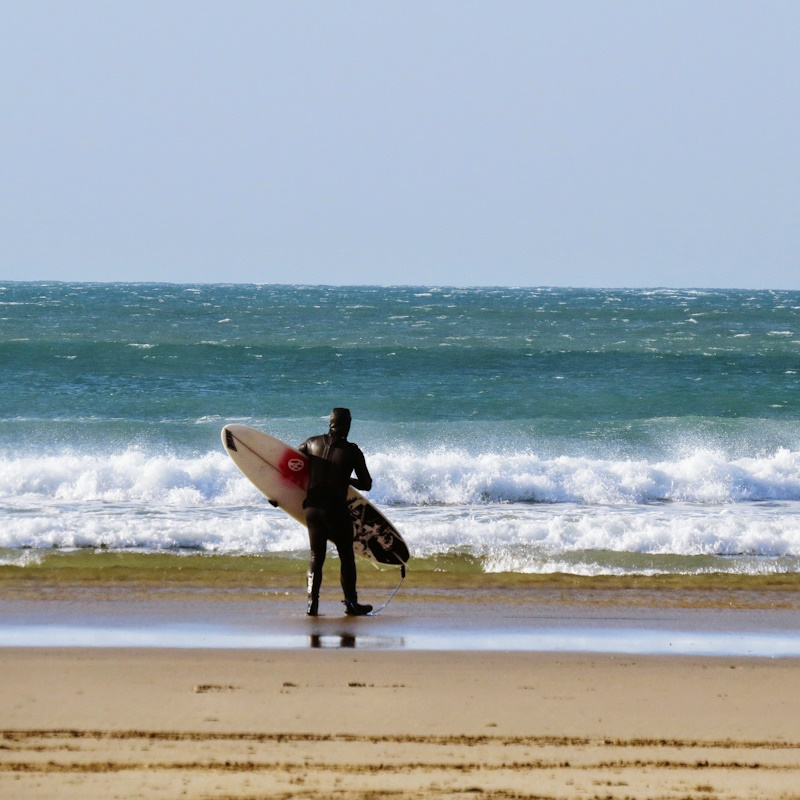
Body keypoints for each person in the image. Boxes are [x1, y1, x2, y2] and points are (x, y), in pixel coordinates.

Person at [298, 408, 373, 617]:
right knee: (346, 557)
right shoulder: (352, 451)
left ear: (330, 423)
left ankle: (312, 604)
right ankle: (351, 603)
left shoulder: (311, 443)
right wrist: (345, 478)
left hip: (312, 510)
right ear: (348, 425)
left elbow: (290, 465)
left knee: (316, 556)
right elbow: (367, 484)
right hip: (336, 511)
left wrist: (275, 493)